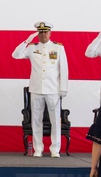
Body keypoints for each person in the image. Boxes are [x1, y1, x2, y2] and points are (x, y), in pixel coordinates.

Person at [12, 22, 68, 158]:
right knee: (36, 120)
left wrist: (63, 88)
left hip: (53, 89)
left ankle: (55, 149)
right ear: (37, 33)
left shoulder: (58, 48)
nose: (43, 35)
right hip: (36, 88)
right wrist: (26, 41)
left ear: (50, 33)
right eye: (40, 32)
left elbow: (64, 69)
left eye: (45, 32)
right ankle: (38, 149)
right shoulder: (32, 48)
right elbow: (15, 55)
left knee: (55, 120)